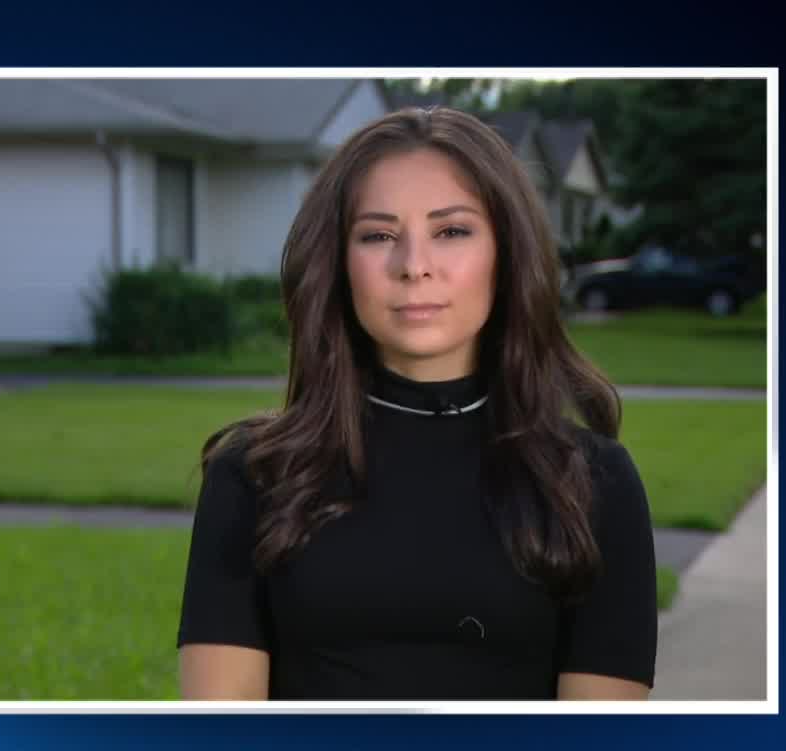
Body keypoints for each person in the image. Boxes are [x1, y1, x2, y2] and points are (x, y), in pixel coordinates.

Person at [177, 106, 655, 701]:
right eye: (378, 235)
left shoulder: (592, 483)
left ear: (506, 254)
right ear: (338, 262)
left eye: (452, 231)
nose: (414, 266)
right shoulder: (254, 473)